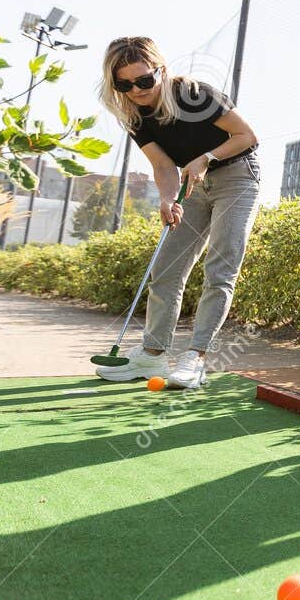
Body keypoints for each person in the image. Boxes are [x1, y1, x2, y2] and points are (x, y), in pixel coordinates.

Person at [95, 37, 260, 389]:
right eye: (124, 84)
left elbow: (246, 135)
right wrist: (168, 199)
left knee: (221, 267)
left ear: (161, 70)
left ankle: (195, 358)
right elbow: (162, 163)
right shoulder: (133, 113)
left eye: (143, 80)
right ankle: (152, 356)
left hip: (236, 177)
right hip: (190, 183)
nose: (136, 90)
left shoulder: (193, 94)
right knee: (166, 269)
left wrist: (206, 157)